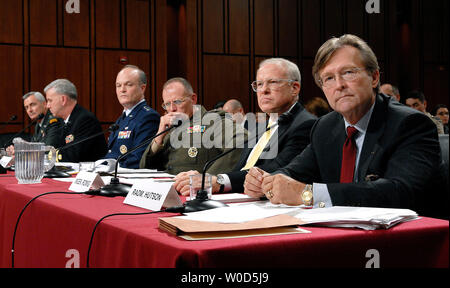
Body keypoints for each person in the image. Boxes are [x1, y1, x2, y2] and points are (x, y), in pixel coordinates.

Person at [244, 34, 442, 217]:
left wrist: (308, 194)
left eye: (348, 73)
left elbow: (399, 192)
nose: (339, 85)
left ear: (374, 77)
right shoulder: (325, 127)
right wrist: (267, 181)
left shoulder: (410, 124)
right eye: (329, 78)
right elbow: (294, 171)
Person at [174, 58, 317, 195]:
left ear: (294, 88)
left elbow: (276, 170)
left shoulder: (305, 124)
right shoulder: (262, 126)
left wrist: (219, 181)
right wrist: (206, 177)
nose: (264, 90)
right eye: (259, 84)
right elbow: (241, 169)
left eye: (273, 82)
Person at [139, 77, 245, 175]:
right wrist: (159, 138)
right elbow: (144, 167)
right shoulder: (168, 128)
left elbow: (242, 141)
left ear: (193, 99)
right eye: (167, 104)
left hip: (195, 192)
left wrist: (207, 179)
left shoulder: (212, 121)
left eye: (177, 102)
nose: (172, 109)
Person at [103, 65, 160, 168]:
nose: (122, 90)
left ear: (142, 88)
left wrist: (109, 169)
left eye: (128, 85)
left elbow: (138, 159)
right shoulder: (121, 119)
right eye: (118, 85)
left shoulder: (148, 117)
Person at [44, 79, 108, 162]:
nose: (48, 106)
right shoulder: (61, 121)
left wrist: (47, 157)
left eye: (50, 100)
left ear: (63, 100)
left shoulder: (85, 120)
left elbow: (73, 156)